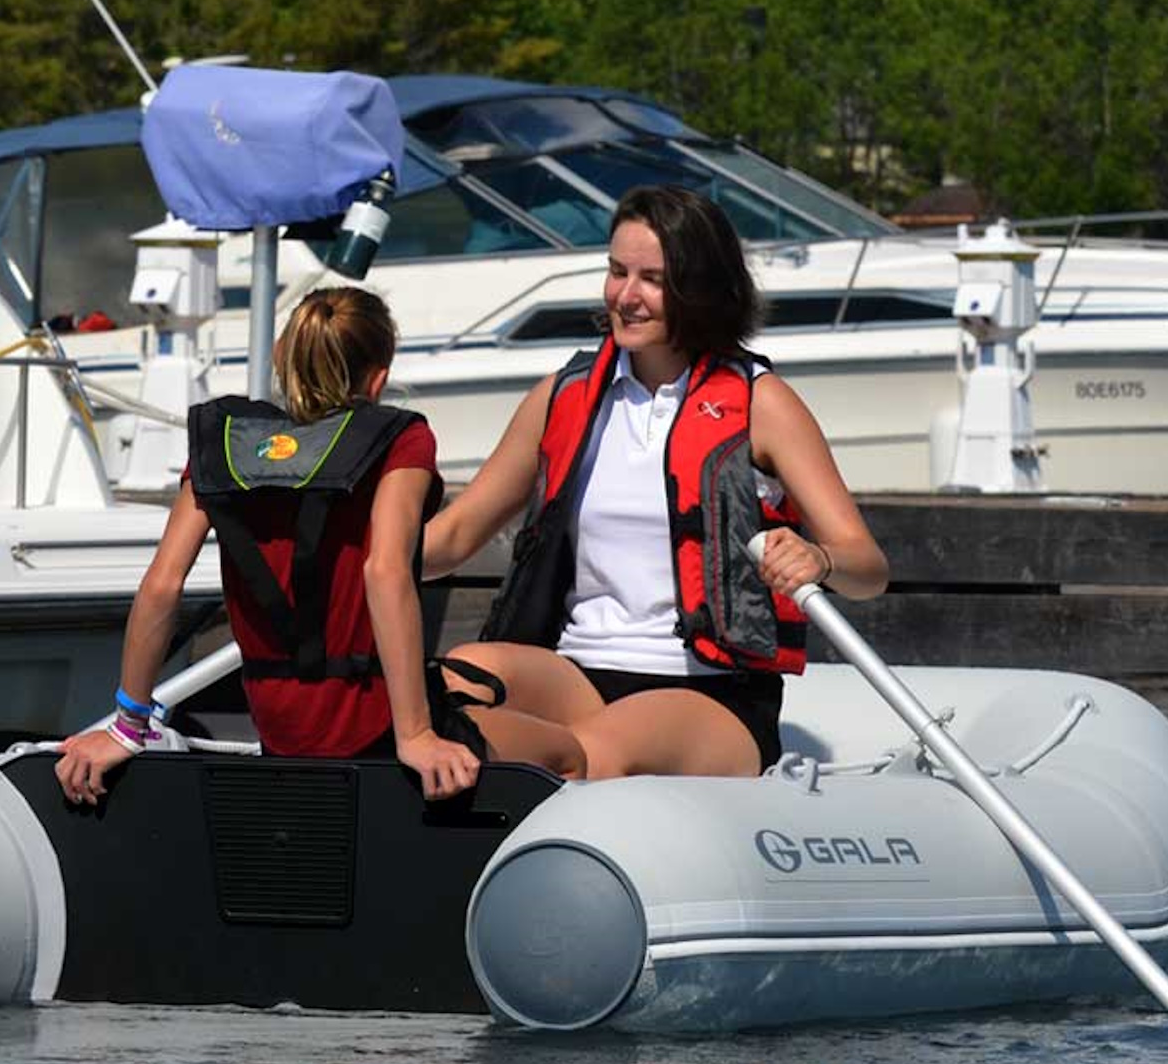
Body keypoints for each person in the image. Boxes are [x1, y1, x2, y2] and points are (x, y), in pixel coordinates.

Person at [423, 185, 888, 780]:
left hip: (712, 693)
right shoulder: (562, 397)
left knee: (594, 750)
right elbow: (454, 536)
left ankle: (505, 764)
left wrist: (819, 558)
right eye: (617, 272)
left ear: (702, 289)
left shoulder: (762, 404)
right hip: (577, 673)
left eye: (652, 279)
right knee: (454, 681)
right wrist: (359, 557)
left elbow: (867, 568)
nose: (626, 296)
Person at [55, 287, 584, 807]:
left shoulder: (224, 446)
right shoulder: (400, 441)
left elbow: (163, 584)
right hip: (375, 729)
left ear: (282, 359)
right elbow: (386, 571)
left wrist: (128, 726)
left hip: (280, 728)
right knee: (568, 755)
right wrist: (416, 734)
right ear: (378, 379)